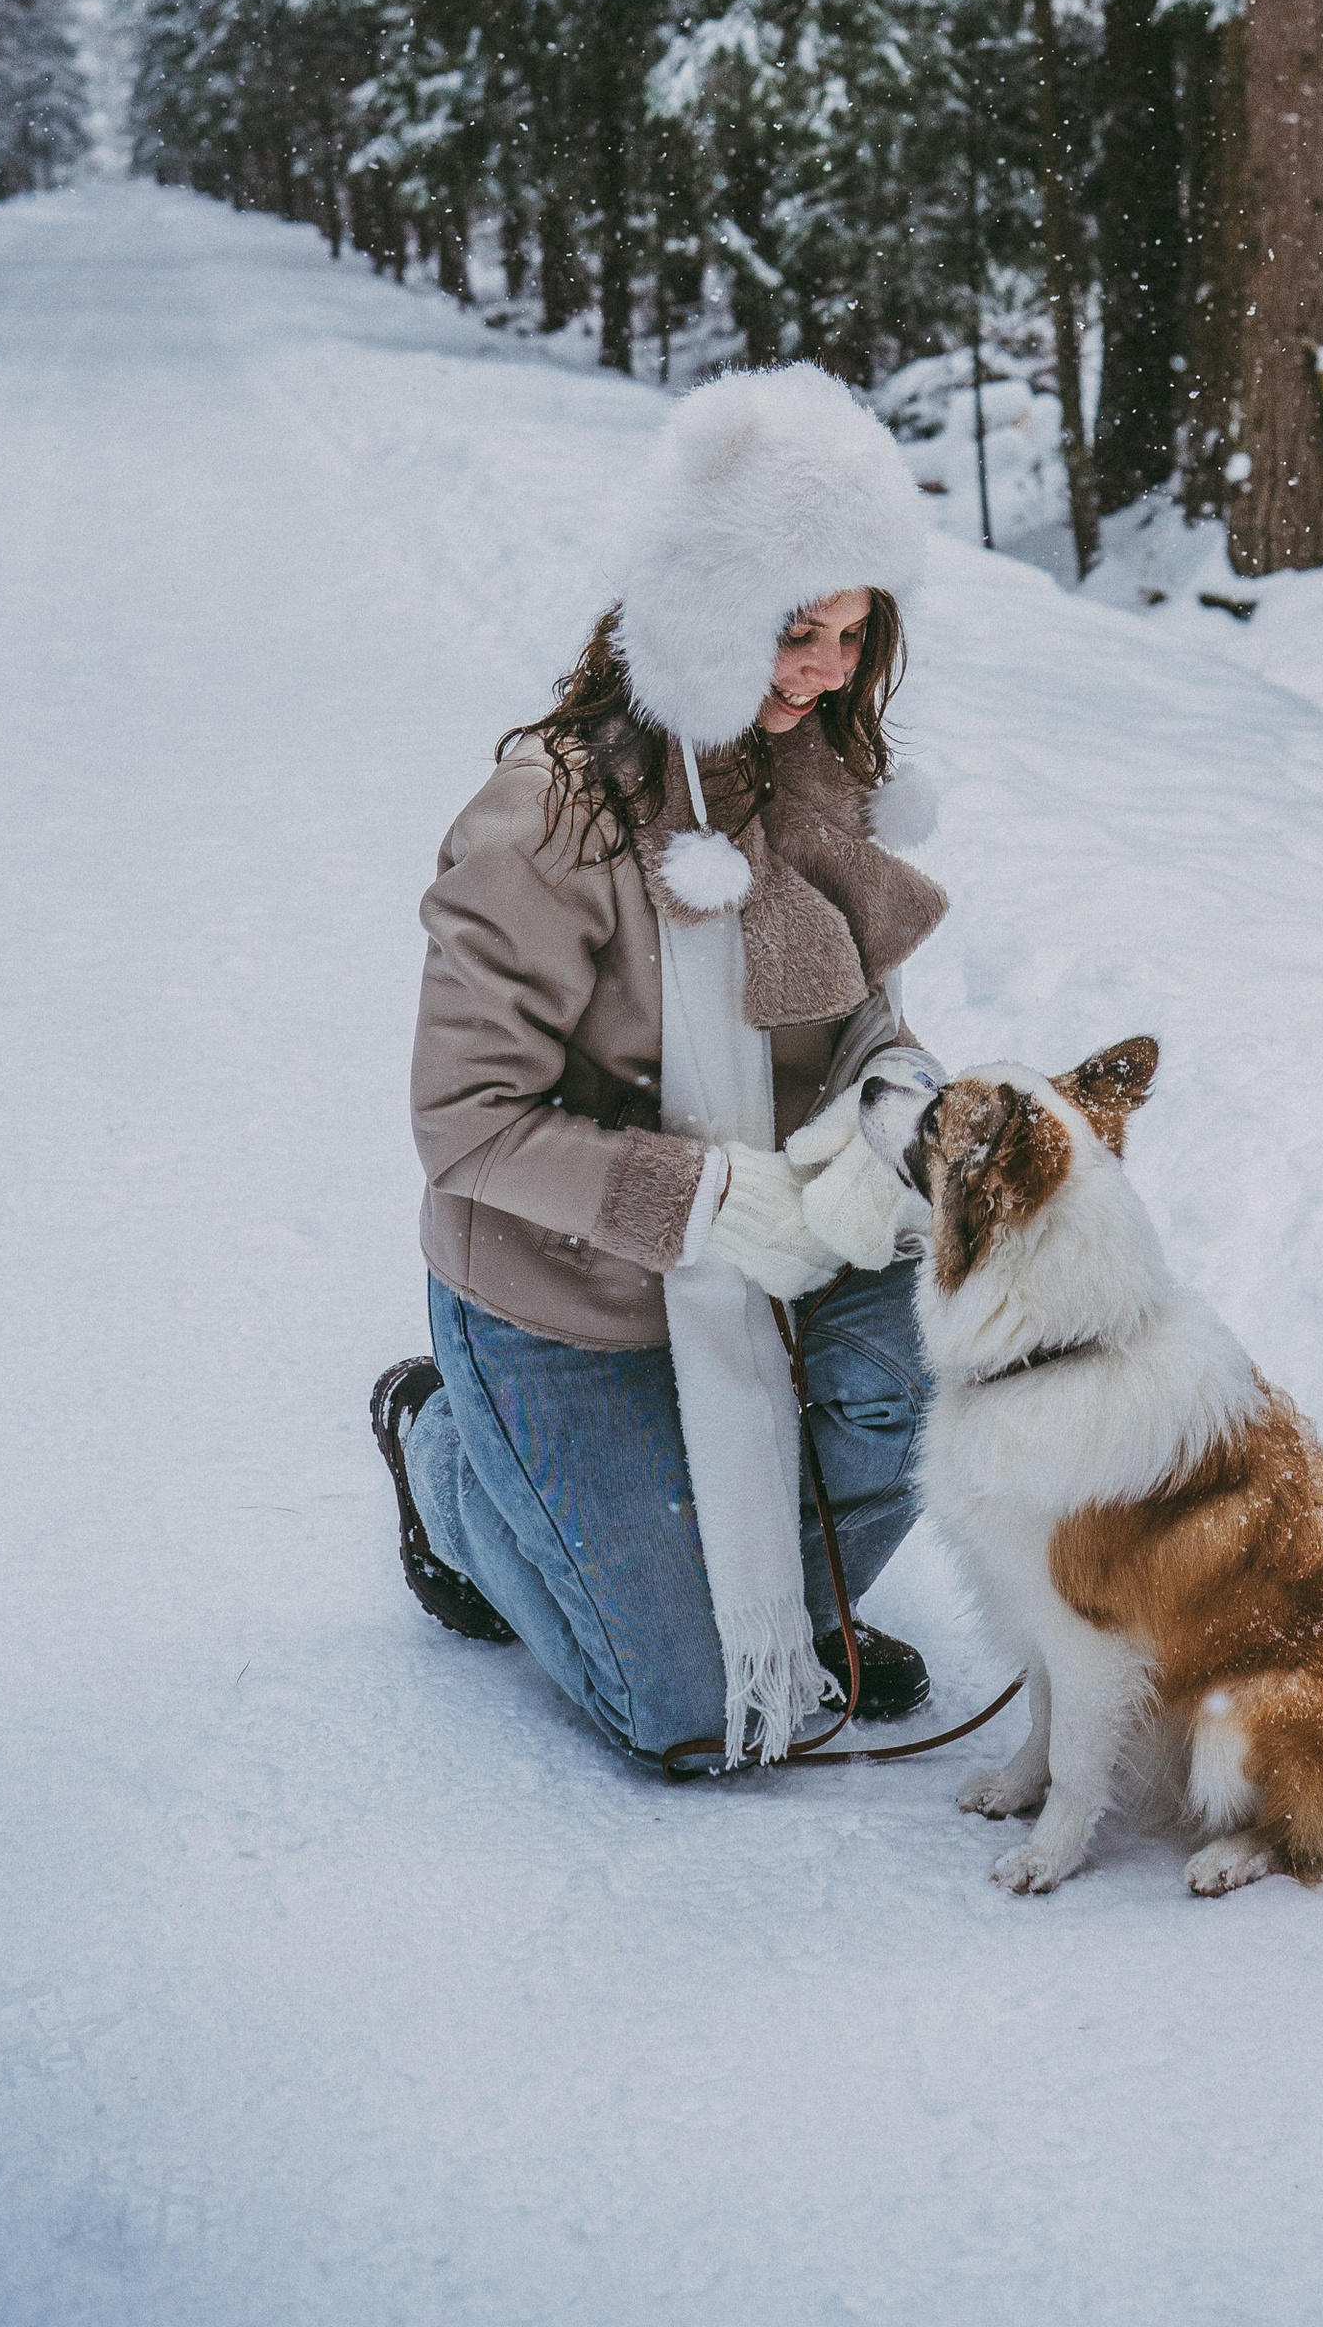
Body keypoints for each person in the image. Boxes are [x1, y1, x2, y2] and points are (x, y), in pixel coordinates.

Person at [370, 363, 950, 1764]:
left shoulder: (811, 776)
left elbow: (871, 1026)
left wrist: (896, 1129)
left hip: (781, 1244)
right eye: (790, 630)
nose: (821, 672)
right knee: (685, 1717)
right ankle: (450, 1460)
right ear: (696, 610)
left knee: (943, 1358)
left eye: (850, 636)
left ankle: (769, 1599)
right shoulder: (543, 827)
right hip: (566, 1300)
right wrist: (687, 1197)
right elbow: (464, 1122)